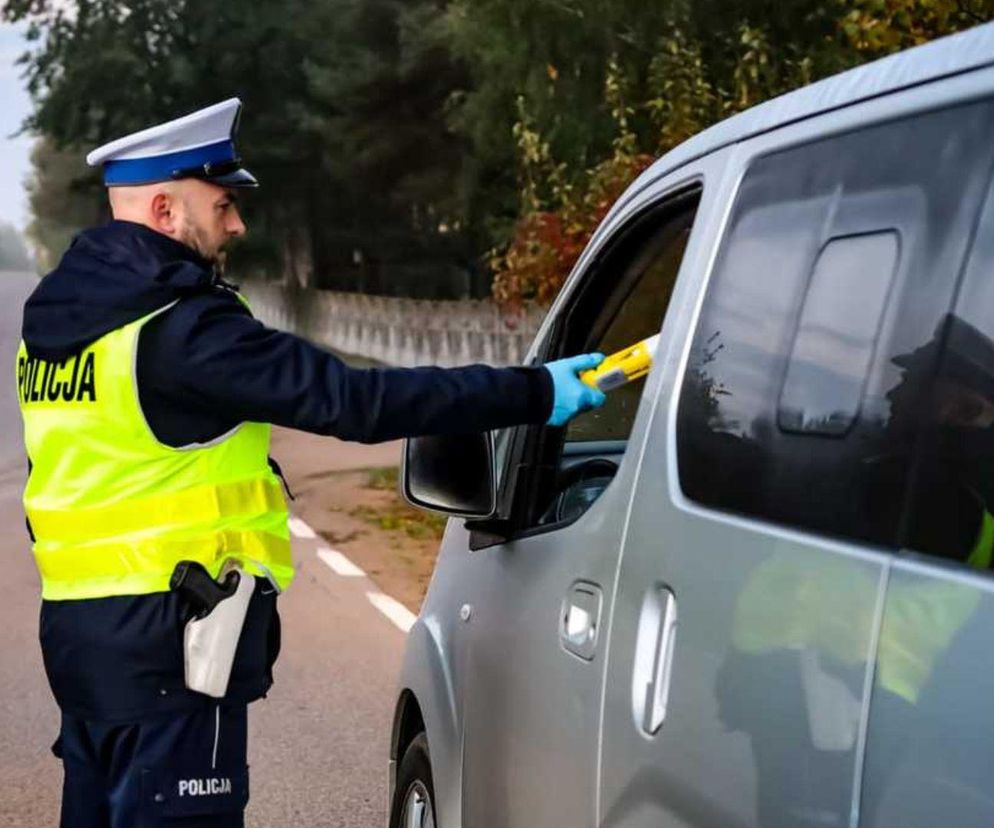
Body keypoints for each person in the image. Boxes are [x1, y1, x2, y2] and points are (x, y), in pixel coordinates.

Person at [16, 97, 605, 828]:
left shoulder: (56, 324)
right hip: (168, 642)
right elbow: (354, 401)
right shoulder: (180, 328)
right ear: (165, 209)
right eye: (223, 203)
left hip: (79, 636)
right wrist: (532, 390)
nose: (236, 224)